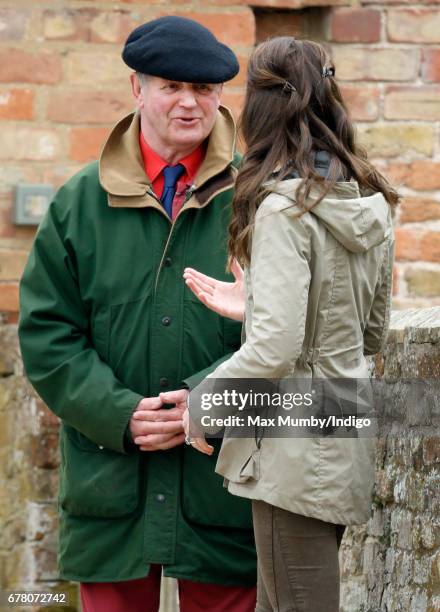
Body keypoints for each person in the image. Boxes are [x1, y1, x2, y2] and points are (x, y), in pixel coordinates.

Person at [18, 16, 257, 612]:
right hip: (111, 486)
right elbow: (48, 335)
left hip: (225, 480)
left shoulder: (258, 196)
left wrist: (208, 401)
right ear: (137, 89)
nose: (188, 102)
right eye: (171, 86)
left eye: (203, 89)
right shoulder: (80, 201)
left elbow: (290, 329)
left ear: (221, 95)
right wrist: (120, 413)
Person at [162, 37, 397, 611]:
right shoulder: (367, 200)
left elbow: (274, 349)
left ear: (261, 107)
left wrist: (202, 407)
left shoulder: (281, 208)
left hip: (292, 445)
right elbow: (366, 333)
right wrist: (262, 304)